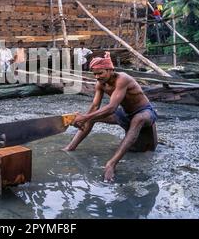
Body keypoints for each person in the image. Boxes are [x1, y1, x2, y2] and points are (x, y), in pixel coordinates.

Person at [63, 52, 158, 182]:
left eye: (100, 73)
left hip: (144, 112)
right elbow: (95, 106)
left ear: (110, 70)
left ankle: (111, 164)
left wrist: (84, 118)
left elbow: (112, 107)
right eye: (94, 74)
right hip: (125, 114)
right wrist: (85, 118)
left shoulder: (122, 79)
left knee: (138, 119)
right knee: (93, 117)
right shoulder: (100, 84)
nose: (97, 77)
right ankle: (71, 146)